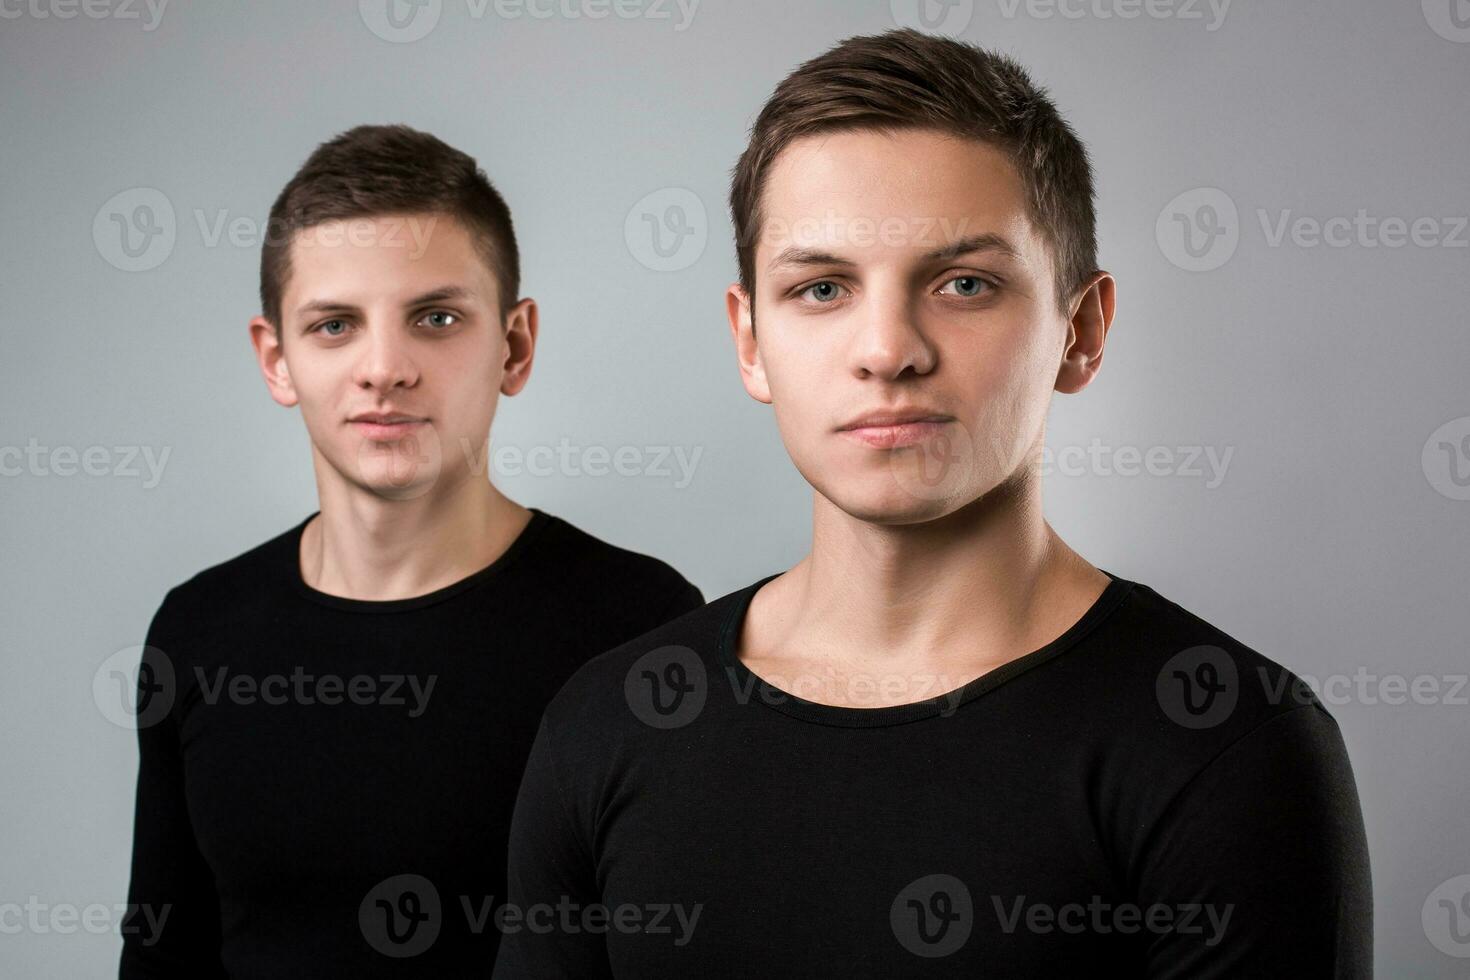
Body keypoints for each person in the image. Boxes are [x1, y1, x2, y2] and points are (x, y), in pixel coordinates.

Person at [493, 30, 1371, 977]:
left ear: (1081, 331)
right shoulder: (607, 725)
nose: (888, 350)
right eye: (822, 287)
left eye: (963, 284)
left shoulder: (1227, 744)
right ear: (751, 340)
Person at [119, 124, 703, 977]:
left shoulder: (640, 626)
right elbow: (161, 958)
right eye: (334, 326)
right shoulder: (199, 629)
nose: (384, 367)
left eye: (435, 318)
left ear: (515, 344)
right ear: (276, 361)